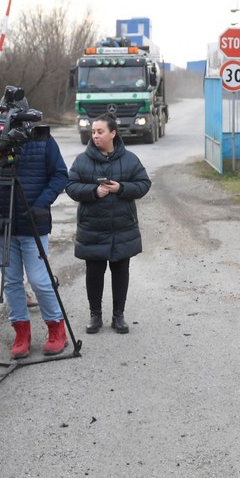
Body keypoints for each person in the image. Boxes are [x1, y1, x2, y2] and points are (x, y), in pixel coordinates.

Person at [0, 130, 69, 359]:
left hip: (33, 223)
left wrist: (42, 204)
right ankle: (21, 333)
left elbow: (60, 175)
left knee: (39, 280)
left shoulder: (41, 140)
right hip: (2, 225)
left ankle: (57, 329)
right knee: (11, 281)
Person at [66, 114, 151, 334]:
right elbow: (71, 187)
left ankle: (118, 316)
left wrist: (121, 188)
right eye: (93, 132)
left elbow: (143, 184)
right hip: (92, 228)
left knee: (121, 272)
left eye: (100, 131)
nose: (95, 136)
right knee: (94, 273)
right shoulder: (82, 160)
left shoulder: (130, 159)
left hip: (122, 227)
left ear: (113, 133)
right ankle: (95, 316)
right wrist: (94, 192)